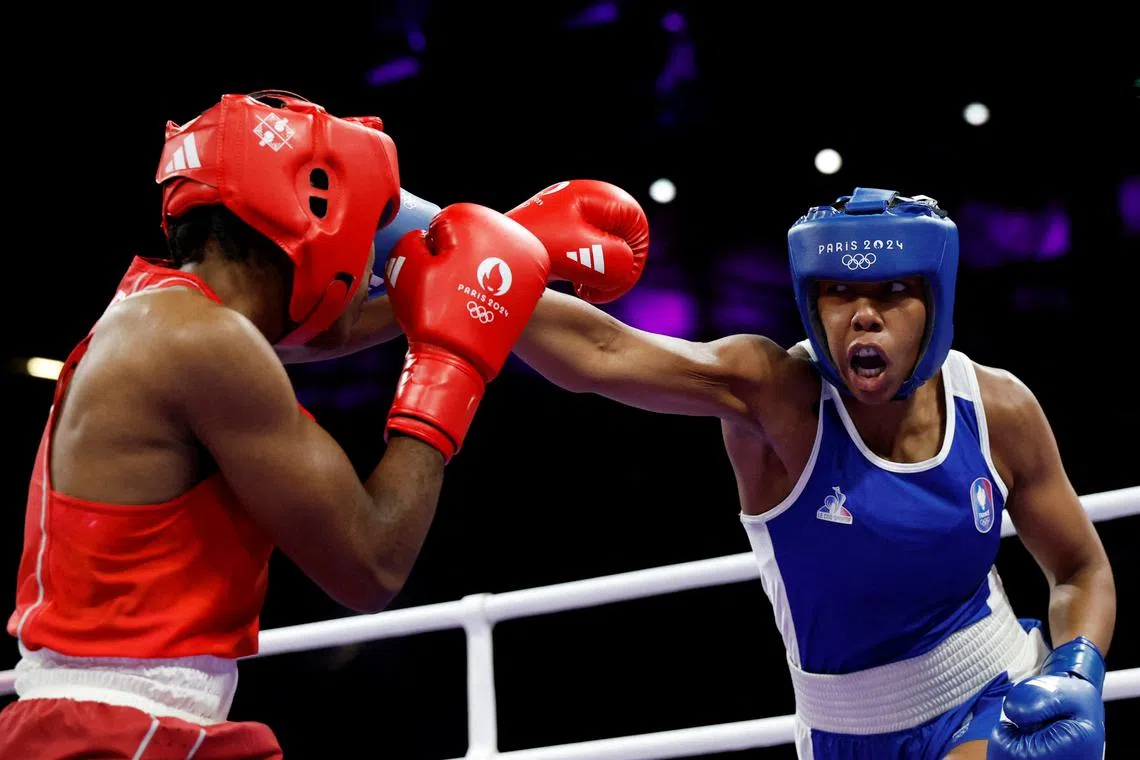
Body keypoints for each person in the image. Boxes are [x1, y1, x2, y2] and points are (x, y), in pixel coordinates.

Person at [287, 181, 1117, 759]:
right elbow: (601, 351)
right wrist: (423, 230)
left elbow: (1080, 566)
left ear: (934, 303)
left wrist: (1078, 667)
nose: (863, 311)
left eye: (895, 290)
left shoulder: (995, 407)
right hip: (840, 732)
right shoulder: (774, 396)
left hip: (991, 690)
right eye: (838, 290)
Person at [0, 90, 553, 759]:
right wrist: (452, 359)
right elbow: (371, 565)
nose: (371, 257)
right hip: (123, 734)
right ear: (315, 210)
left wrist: (505, 260)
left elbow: (314, 337)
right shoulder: (203, 341)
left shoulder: (159, 316)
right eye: (371, 224)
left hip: (100, 727)